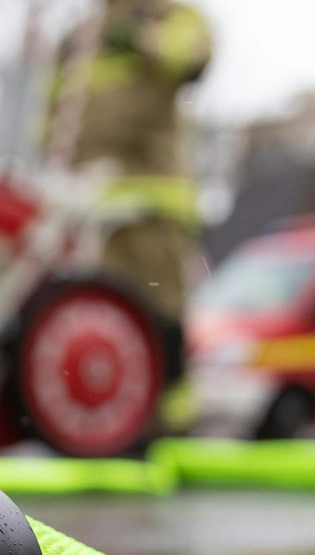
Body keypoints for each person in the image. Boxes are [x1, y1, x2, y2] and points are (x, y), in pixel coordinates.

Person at [61, 0, 213, 339]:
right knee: (101, 327)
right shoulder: (82, 35)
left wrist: (141, 37)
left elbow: (193, 52)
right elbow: (55, 112)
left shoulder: (167, 14)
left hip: (152, 211)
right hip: (89, 211)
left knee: (158, 320)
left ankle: (171, 389)